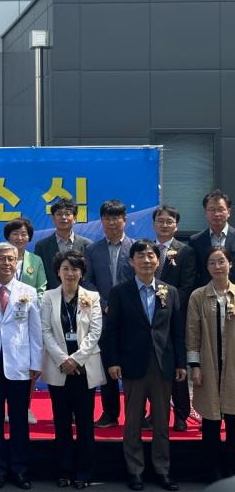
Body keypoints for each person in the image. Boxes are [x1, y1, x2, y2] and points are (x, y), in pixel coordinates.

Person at [102, 239, 185, 492]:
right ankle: (135, 471)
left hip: (163, 365)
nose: (146, 260)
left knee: (161, 423)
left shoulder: (170, 292)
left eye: (151, 256)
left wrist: (181, 363)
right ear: (131, 261)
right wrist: (113, 361)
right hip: (132, 364)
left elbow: (177, 331)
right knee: (133, 422)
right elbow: (111, 330)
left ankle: (162, 470)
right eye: (140, 256)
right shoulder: (120, 292)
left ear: (158, 261)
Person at [0, 242, 42, 491]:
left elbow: (35, 330)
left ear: (17, 263)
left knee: (19, 421)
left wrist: (36, 362)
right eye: (1, 258)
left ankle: (19, 469)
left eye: (11, 259)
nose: (6, 263)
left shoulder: (28, 291)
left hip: (20, 365)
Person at [40, 251, 104, 489]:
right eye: (65, 268)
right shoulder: (48, 297)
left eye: (75, 269)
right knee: (62, 422)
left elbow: (95, 332)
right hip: (59, 368)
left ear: (82, 273)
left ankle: (84, 472)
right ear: (58, 272)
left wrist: (76, 360)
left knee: (85, 423)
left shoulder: (92, 297)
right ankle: (64, 470)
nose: (70, 273)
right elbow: (45, 330)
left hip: (84, 368)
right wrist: (62, 359)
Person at [83, 198, 134, 428]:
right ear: (101, 221)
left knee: (133, 365)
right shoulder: (92, 250)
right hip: (102, 316)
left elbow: (141, 279)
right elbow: (87, 280)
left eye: (116, 218)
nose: (111, 222)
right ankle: (110, 413)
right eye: (107, 218)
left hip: (131, 316)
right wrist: (103, 303)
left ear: (125, 220)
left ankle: (136, 412)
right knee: (107, 364)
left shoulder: (136, 248)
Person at [186, 247, 235, 483]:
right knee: (211, 421)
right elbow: (192, 333)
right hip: (208, 365)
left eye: (221, 261)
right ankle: (211, 471)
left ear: (230, 264)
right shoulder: (198, 296)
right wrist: (194, 366)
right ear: (206, 267)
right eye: (212, 263)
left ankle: (231, 470)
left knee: (233, 420)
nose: (217, 267)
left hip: (233, 367)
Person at [151, 205, 196, 431]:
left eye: (169, 221)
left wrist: (168, 305)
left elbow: (188, 285)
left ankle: (180, 414)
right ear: (153, 224)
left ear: (176, 225)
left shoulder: (185, 251)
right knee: (153, 367)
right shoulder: (147, 249)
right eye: (160, 221)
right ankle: (154, 414)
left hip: (175, 317)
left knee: (178, 366)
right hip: (150, 318)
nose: (164, 225)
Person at [4, 217, 47, 425]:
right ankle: (3, 407)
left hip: (28, 318)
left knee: (28, 364)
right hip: (3, 318)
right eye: (15, 234)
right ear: (8, 236)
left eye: (24, 234)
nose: (20, 238)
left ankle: (26, 407)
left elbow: (42, 288)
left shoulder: (35, 260)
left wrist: (30, 302)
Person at [35, 198, 92, 291]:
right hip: (51, 296)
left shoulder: (87, 245)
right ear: (53, 218)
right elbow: (39, 277)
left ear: (74, 218)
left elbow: (89, 276)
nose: (63, 217)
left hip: (81, 296)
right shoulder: (42, 246)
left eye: (67, 214)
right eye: (59, 214)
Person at [189, 189, 235, 286]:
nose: (216, 214)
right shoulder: (195, 241)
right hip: (205, 293)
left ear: (229, 212)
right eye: (212, 210)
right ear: (206, 212)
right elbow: (194, 273)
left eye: (221, 209)